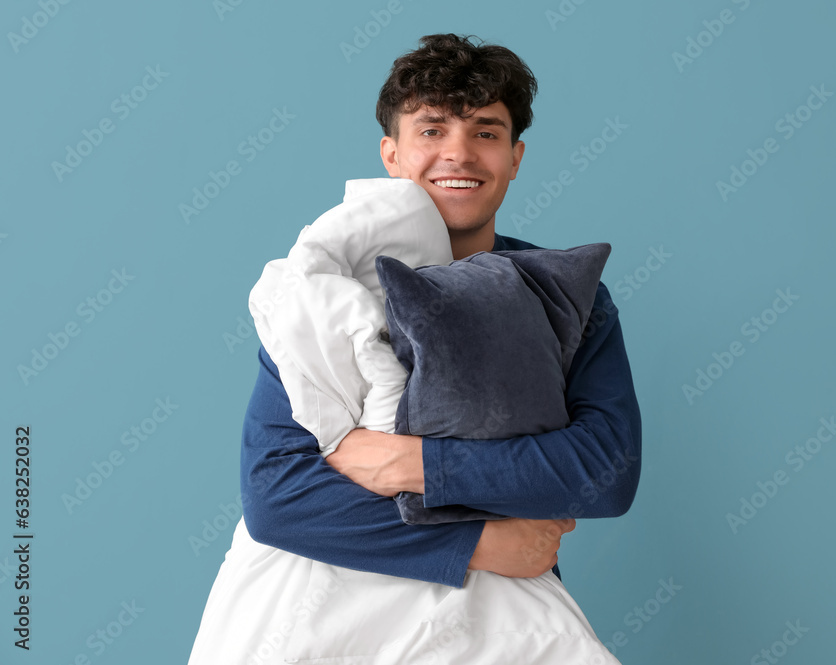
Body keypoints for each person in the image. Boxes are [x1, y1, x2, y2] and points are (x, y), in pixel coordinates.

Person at [200, 34, 643, 663]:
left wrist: (408, 465)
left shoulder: (562, 294)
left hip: (498, 626)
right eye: (432, 130)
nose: (457, 152)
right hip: (322, 611)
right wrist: (480, 541)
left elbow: (605, 470)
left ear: (515, 157)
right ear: (391, 154)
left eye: (486, 132)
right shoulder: (324, 286)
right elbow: (279, 495)